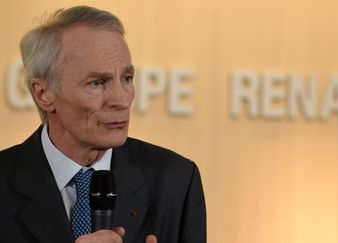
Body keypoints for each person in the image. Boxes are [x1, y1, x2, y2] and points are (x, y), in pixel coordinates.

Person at [0, 6, 206, 243]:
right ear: (44, 93)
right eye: (96, 83)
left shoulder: (176, 180)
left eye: (127, 79)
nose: (121, 100)